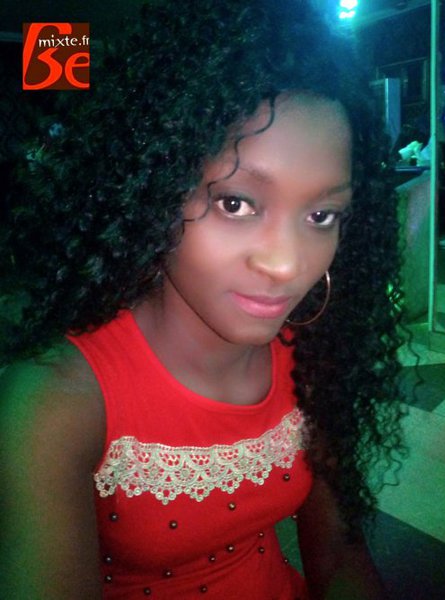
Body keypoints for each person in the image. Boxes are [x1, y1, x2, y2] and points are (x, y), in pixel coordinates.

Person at [0, 1, 406, 598]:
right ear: (154, 190)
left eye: (321, 215)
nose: (287, 264)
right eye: (235, 203)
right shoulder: (55, 403)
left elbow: (342, 555)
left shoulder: (311, 358)